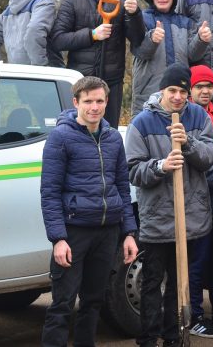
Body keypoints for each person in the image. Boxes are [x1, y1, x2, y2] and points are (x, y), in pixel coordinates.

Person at [39, 76, 139, 347]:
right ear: (76, 102)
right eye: (88, 101)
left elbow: (122, 186)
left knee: (93, 301)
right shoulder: (60, 137)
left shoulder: (112, 138)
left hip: (107, 232)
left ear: (107, 102)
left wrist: (129, 232)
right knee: (62, 303)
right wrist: (58, 238)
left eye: (99, 101)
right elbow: (49, 192)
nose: (94, 107)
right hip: (74, 232)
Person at [125, 63, 213, 347]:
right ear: (162, 90)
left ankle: (174, 337)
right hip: (158, 217)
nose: (178, 97)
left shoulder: (198, 116)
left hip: (189, 217)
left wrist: (187, 143)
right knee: (152, 282)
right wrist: (161, 165)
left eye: (183, 91)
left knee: (182, 283)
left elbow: (209, 157)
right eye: (172, 90)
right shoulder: (142, 122)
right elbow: (133, 171)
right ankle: (148, 339)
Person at [51, 0, 144, 126]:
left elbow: (138, 39)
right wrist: (92, 34)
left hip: (112, 83)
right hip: (81, 82)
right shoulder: (71, 1)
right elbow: (58, 40)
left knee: (109, 133)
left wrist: (134, 14)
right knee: (78, 132)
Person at [130, 0, 210, 115]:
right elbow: (140, 51)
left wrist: (201, 40)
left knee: (177, 133)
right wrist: (152, 40)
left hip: (178, 91)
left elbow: (193, 56)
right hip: (148, 89)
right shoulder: (141, 18)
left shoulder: (186, 22)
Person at [187, 65, 213, 339]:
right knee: (196, 263)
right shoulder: (188, 115)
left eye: (208, 85)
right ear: (191, 89)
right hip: (197, 200)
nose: (205, 90)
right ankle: (194, 315)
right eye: (199, 86)